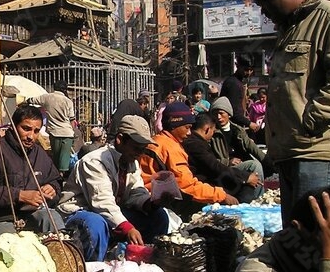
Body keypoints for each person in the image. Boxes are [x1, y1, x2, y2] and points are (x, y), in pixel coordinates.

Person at [244, 0, 330, 226]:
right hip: (292, 152)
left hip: (318, 151)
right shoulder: (290, 29)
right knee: (295, 241)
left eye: (265, 2)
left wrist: (310, 121)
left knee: (317, 240)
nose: (264, 12)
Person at [59, 115, 170, 261]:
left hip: (109, 213)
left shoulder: (131, 162)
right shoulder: (95, 162)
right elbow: (102, 202)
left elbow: (135, 193)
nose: (139, 153)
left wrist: (152, 203)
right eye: (136, 147)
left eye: (142, 149)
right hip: (80, 213)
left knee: (158, 216)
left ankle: (144, 261)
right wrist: (127, 227)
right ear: (120, 140)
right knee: (96, 225)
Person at [0, 104, 65, 236]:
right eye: (26, 129)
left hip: (30, 214)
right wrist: (19, 196)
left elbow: (56, 181)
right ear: (13, 126)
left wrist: (52, 188)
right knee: (12, 242)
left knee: (53, 221)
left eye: (36, 131)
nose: (31, 136)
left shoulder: (40, 154)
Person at [139, 102, 238, 218]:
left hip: (145, 196)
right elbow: (186, 185)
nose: (189, 133)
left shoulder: (157, 140)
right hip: (158, 202)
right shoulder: (170, 148)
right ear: (174, 125)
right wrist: (221, 195)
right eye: (187, 127)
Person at [184, 113, 262, 204]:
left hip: (215, 176)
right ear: (207, 129)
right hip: (207, 183)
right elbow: (214, 166)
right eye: (213, 131)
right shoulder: (195, 144)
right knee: (248, 183)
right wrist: (245, 178)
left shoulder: (197, 141)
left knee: (252, 169)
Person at [208, 96, 270, 202]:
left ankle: (254, 197)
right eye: (215, 114)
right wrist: (228, 161)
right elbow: (209, 158)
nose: (219, 117)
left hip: (241, 166)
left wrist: (269, 162)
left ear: (228, 114)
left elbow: (253, 148)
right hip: (224, 169)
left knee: (258, 165)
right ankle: (255, 199)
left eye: (221, 113)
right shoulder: (212, 133)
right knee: (254, 165)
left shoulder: (238, 130)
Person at [26, 80, 76, 175]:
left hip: (55, 133)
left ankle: (57, 177)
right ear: (65, 89)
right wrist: (73, 131)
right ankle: (62, 177)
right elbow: (72, 120)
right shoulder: (68, 101)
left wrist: (24, 102)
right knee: (64, 160)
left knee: (56, 159)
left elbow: (32, 100)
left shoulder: (47, 97)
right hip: (67, 133)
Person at [219, 54, 257, 133]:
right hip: (231, 127)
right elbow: (233, 112)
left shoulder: (239, 82)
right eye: (246, 69)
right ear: (237, 66)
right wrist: (249, 123)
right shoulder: (233, 84)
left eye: (251, 70)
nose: (248, 72)